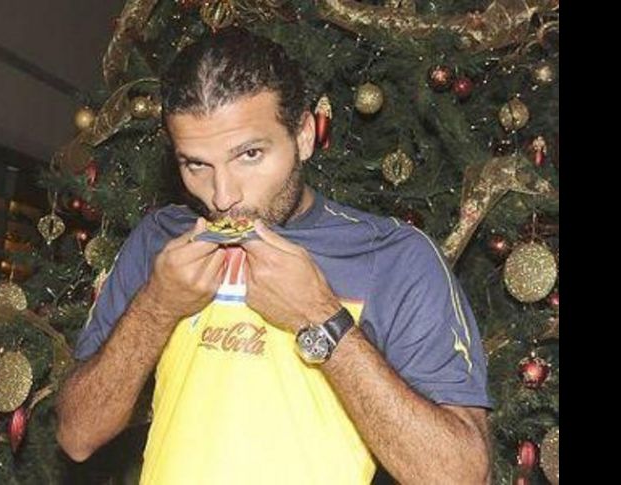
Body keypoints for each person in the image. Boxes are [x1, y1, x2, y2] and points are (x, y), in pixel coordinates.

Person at [56, 28, 492, 484]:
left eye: (249, 155)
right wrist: (157, 307)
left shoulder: (393, 256)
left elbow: (460, 476)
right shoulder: (158, 241)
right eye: (196, 164)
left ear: (303, 135)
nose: (223, 196)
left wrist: (321, 318)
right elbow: (77, 436)